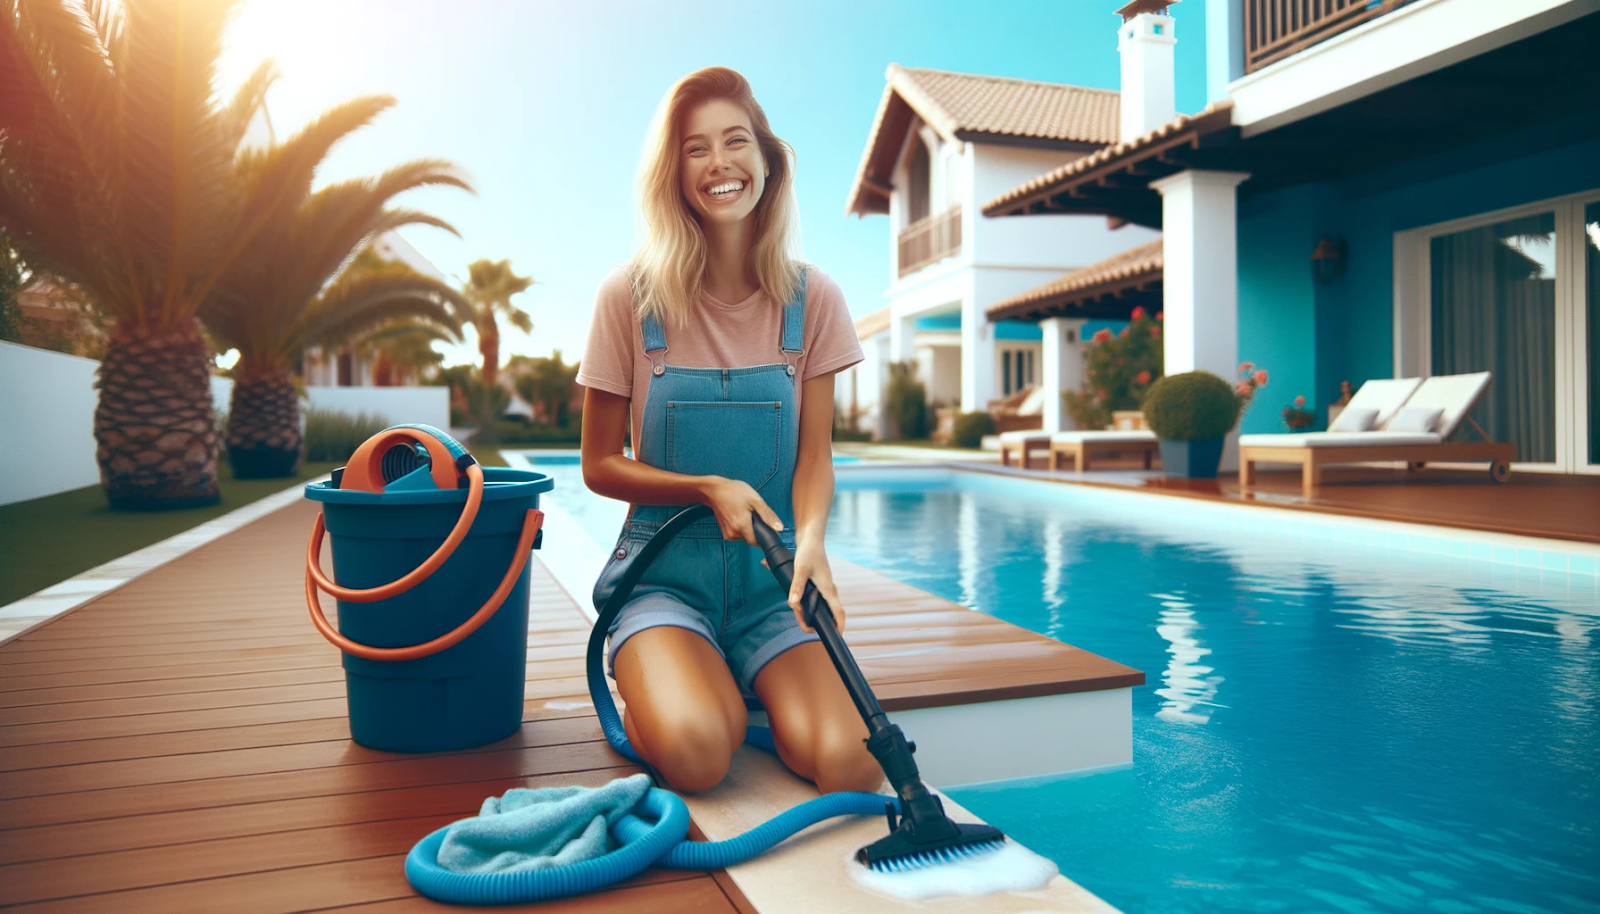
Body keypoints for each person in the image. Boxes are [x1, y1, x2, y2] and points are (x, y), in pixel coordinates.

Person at [576, 67, 880, 796]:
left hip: (770, 589)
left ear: (767, 160)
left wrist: (811, 542)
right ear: (674, 174)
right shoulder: (630, 297)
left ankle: (736, 676)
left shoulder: (814, 300)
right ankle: (673, 680)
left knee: (851, 762)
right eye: (695, 149)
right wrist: (708, 488)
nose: (720, 164)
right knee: (698, 755)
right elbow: (596, 465)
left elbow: (815, 458)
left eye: (735, 141)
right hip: (662, 584)